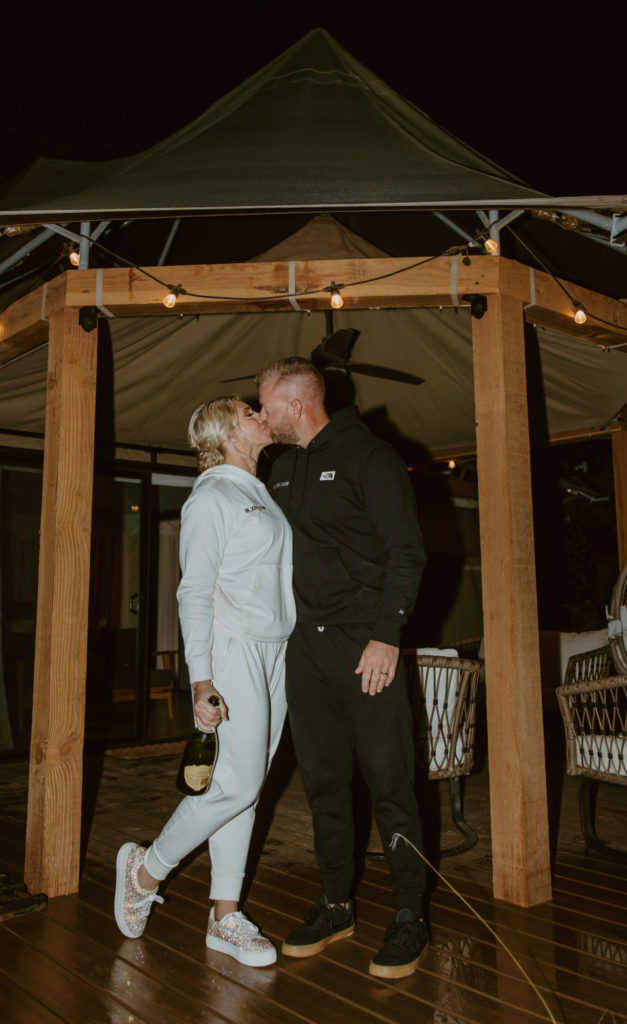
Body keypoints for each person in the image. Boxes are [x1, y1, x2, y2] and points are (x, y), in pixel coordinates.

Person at [256, 356, 429, 979]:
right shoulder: (278, 469)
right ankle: (336, 905)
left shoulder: (369, 457)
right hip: (305, 651)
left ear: (297, 405)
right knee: (325, 785)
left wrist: (388, 636)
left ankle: (410, 913)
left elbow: (406, 550)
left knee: (390, 785)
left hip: (365, 647)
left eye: (266, 405)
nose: (261, 414)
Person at [114, 396, 296, 967]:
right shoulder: (213, 496)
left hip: (274, 653)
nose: (260, 413)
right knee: (236, 787)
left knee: (246, 787)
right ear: (225, 433)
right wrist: (201, 680)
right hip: (233, 649)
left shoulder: (259, 491)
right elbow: (192, 593)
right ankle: (144, 873)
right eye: (248, 411)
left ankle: (225, 916)